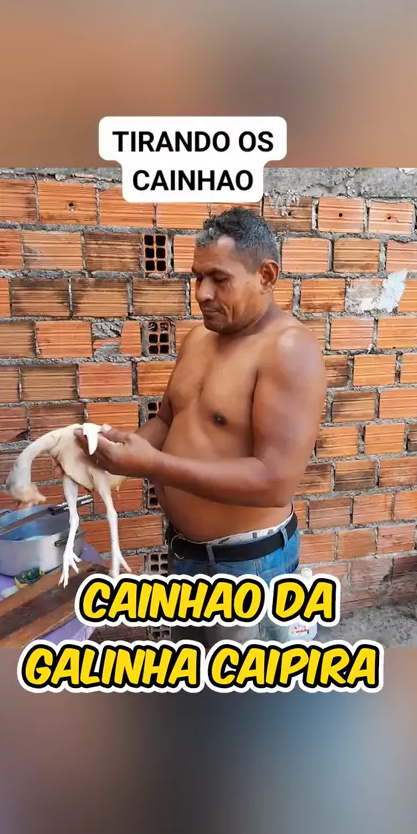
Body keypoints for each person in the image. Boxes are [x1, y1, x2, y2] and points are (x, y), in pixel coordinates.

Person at [74, 207, 327, 647]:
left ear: (266, 276)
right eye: (197, 277)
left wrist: (152, 465)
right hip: (186, 555)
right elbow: (169, 419)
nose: (202, 294)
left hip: (247, 569)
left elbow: (275, 482)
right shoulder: (199, 339)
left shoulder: (289, 351)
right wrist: (116, 453)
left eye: (219, 279)